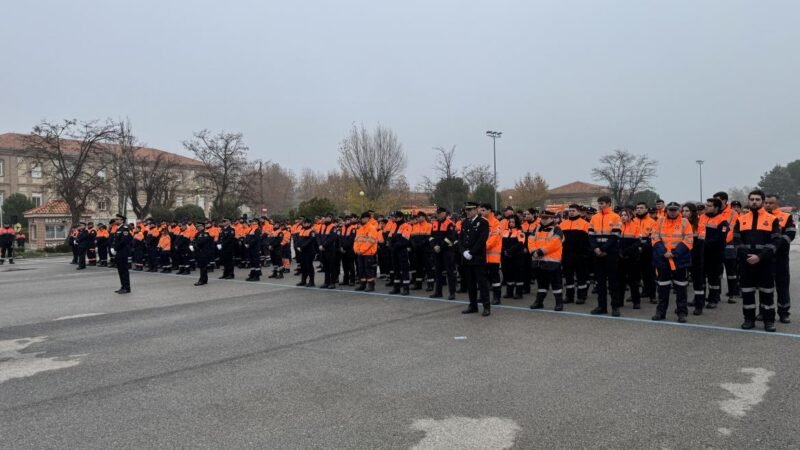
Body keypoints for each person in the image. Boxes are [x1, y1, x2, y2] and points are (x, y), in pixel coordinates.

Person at [734, 190, 782, 332]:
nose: (754, 201)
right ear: (748, 201)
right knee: (747, 292)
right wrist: (747, 256)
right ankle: (749, 320)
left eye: (757, 199)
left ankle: (769, 321)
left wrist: (760, 257)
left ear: (762, 201)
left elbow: (776, 242)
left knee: (767, 293)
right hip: (746, 262)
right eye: (752, 199)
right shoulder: (741, 219)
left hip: (765, 263)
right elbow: (736, 240)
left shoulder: (771, 219)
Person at [651, 202, 694, 323]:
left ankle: (682, 313)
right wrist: (664, 252)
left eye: (675, 210)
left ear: (679, 210)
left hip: (679, 260)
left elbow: (688, 240)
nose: (672, 212)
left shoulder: (685, 222)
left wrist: (674, 253)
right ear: (667, 210)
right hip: (663, 260)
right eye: (670, 209)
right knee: (662, 288)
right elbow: (654, 238)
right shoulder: (659, 221)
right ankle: (660, 312)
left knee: (681, 289)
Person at [588, 196, 623, 316]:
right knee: (600, 282)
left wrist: (603, 249)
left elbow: (615, 236)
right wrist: (596, 248)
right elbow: (591, 235)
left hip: (610, 253)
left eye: (602, 203)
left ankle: (615, 307)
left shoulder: (615, 216)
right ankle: (601, 306)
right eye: (599, 203)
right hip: (598, 254)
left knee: (613, 281)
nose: (600, 205)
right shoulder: (594, 217)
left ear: (608, 203)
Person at [765, 194, 795, 323]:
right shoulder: (760, 217)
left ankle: (783, 312)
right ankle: (764, 311)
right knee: (765, 287)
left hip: (780, 257)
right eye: (766, 203)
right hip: (765, 258)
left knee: (782, 286)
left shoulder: (786, 217)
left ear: (777, 204)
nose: (768, 205)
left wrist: (775, 245)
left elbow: (790, 234)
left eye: (771, 203)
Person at [527, 210, 565, 311]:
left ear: (552, 218)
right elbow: (530, 240)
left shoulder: (557, 229)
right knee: (541, 284)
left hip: (552, 262)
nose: (543, 220)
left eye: (546, 218)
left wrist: (540, 252)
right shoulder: (537, 228)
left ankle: (559, 303)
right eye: (542, 218)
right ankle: (539, 302)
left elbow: (555, 243)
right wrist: (533, 251)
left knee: (556, 284)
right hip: (538, 261)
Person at [460, 202, 491, 316]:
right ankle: (473, 305)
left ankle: (486, 306)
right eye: (466, 210)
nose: (467, 212)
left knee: (482, 283)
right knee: (470, 283)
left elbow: (482, 240)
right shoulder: (464, 222)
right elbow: (461, 239)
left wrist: (472, 252)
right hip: (467, 258)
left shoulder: (483, 222)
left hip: (477, 258)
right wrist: (463, 251)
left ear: (477, 210)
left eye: (470, 209)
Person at [699, 198, 729, 310]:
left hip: (715, 254)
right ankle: (699, 298)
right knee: (700, 277)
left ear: (716, 208)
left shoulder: (722, 221)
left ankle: (713, 299)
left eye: (709, 205)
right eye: (706, 205)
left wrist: (703, 243)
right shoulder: (702, 217)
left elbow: (720, 238)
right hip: (702, 253)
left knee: (713, 278)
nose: (706, 207)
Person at [561, 204, 591, 304]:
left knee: (581, 277)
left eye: (573, 210)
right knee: (568, 276)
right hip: (566, 254)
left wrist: (586, 254)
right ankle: (569, 296)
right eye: (570, 211)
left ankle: (581, 296)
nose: (571, 212)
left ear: (578, 212)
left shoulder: (585, 224)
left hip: (580, 255)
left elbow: (589, 241)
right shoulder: (563, 224)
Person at [714, 192, 740, 303]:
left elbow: (731, 230)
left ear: (724, 201)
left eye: (718, 200)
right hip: (715, 246)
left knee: (731, 272)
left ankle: (732, 294)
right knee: (716, 272)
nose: (715, 202)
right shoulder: (713, 212)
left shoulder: (733, 213)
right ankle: (716, 295)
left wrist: (722, 241)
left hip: (728, 245)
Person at [429, 207, 458, 300]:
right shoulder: (434, 223)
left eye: (440, 213)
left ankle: (452, 293)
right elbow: (431, 237)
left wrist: (440, 246)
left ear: (445, 213)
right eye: (438, 213)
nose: (439, 214)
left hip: (447, 251)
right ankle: (438, 292)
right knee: (437, 272)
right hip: (437, 251)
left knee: (450, 272)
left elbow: (451, 237)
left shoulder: (450, 223)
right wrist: (434, 246)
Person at [682, 203, 705, 314]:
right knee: (682, 282)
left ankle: (699, 305)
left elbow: (700, 242)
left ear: (693, 212)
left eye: (687, 211)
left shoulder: (700, 223)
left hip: (696, 256)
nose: (685, 213)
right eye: (684, 211)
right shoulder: (681, 223)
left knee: (697, 282)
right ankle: (681, 306)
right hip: (683, 255)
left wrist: (693, 254)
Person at [618, 208, 642, 309]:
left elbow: (638, 242)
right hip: (620, 257)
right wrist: (619, 252)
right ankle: (619, 301)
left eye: (625, 215)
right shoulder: (617, 226)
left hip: (632, 257)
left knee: (633, 281)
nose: (623, 217)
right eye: (622, 215)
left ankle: (636, 301)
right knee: (620, 280)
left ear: (630, 216)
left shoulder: (636, 226)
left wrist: (626, 251)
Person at [633, 202, 657, 303]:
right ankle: (638, 294)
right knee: (636, 274)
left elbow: (653, 237)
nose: (639, 210)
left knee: (650, 274)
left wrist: (643, 246)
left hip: (648, 251)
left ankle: (652, 295)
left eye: (641, 208)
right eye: (637, 208)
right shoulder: (633, 221)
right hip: (635, 251)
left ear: (646, 209)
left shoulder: (652, 222)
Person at [479, 203, 503, 305]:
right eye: (481, 210)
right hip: (482, 256)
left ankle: (497, 297)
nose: (481, 212)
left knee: (495, 278)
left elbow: (494, 239)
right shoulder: (480, 222)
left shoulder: (496, 223)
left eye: (483, 210)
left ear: (489, 210)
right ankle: (483, 297)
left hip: (493, 256)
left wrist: (480, 247)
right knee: (483, 278)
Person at [354, 212, 382, 292]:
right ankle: (362, 284)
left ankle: (371, 285)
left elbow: (370, 242)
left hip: (368, 253)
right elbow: (356, 241)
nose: (361, 219)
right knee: (361, 269)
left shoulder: (371, 228)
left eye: (363, 218)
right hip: (360, 253)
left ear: (367, 218)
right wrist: (356, 250)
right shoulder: (360, 229)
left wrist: (361, 250)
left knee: (368, 269)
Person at [500, 214, 526, 300]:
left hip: (517, 257)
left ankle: (519, 293)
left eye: (513, 222)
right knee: (508, 274)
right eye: (510, 222)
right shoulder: (505, 231)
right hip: (507, 256)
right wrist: (504, 250)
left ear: (517, 222)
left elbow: (520, 244)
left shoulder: (520, 231)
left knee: (518, 274)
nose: (511, 223)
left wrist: (510, 251)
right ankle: (509, 292)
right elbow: (502, 242)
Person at [388, 211, 413, 295]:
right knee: (396, 269)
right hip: (394, 251)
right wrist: (391, 245)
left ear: (401, 217)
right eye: (394, 217)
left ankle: (406, 288)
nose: (394, 218)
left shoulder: (407, 226)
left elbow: (405, 240)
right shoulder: (394, 225)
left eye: (396, 217)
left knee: (404, 269)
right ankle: (396, 288)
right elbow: (390, 237)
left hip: (402, 251)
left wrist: (394, 243)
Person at [317, 214, 340, 289]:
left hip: (330, 250)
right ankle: (326, 282)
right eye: (326, 218)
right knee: (326, 267)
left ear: (331, 219)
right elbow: (319, 236)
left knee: (332, 267)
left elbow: (332, 238)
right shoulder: (322, 226)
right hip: (322, 250)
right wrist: (320, 245)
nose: (326, 219)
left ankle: (332, 283)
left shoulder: (333, 227)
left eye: (328, 218)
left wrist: (323, 245)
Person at [110, 215, 132, 294]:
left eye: (117, 219)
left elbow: (123, 241)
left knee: (124, 270)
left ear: (122, 221)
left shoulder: (125, 229)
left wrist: (115, 249)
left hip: (123, 252)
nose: (116, 221)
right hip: (119, 252)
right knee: (120, 270)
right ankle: (123, 286)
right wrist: (112, 247)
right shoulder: (118, 229)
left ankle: (126, 288)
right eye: (116, 219)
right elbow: (115, 240)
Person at [295, 218, 318, 287]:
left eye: (306, 223)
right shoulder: (302, 230)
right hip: (302, 251)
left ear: (309, 223)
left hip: (309, 251)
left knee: (309, 266)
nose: (305, 224)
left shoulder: (312, 231)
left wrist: (301, 247)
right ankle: (303, 280)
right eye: (304, 223)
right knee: (303, 266)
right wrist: (297, 246)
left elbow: (310, 241)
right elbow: (298, 239)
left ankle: (311, 281)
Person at [192, 221, 215, 286]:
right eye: (197, 227)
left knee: (203, 266)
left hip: (204, 252)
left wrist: (195, 244)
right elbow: (194, 240)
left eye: (199, 226)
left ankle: (202, 280)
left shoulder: (205, 233)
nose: (198, 227)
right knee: (201, 266)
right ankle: (204, 279)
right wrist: (193, 244)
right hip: (199, 252)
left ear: (202, 226)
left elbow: (202, 241)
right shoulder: (197, 234)